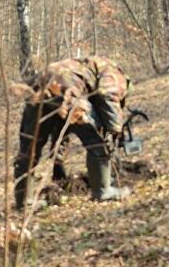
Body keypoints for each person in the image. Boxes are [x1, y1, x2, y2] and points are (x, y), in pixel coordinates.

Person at [13, 55, 138, 209]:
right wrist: (115, 130)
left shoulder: (85, 67)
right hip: (67, 91)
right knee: (96, 139)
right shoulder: (114, 72)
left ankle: (24, 200)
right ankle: (103, 190)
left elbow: (62, 125)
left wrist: (58, 160)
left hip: (38, 86)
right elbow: (108, 95)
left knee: (30, 145)